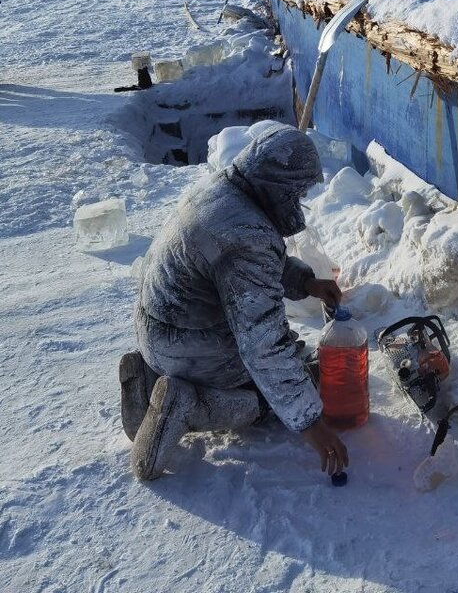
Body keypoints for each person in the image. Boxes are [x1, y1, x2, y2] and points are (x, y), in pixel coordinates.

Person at [119, 124, 349, 481]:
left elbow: (237, 265)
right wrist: (311, 423)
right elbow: (264, 346)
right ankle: (187, 404)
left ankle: (152, 377)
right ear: (277, 185)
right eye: (297, 192)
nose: (299, 202)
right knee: (265, 396)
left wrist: (305, 282)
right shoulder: (247, 236)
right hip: (190, 342)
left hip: (159, 326)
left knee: (279, 368)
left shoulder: (223, 191)